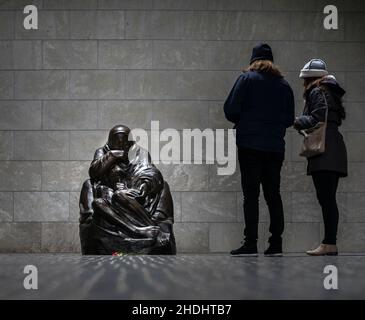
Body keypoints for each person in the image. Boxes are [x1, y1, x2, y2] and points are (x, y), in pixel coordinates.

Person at [224, 43, 295, 257]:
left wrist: (244, 121)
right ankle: (276, 244)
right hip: (274, 147)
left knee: (251, 195)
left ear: (253, 60)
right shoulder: (284, 85)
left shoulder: (246, 79)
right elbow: (289, 119)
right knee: (273, 194)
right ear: (272, 61)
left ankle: (251, 243)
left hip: (249, 145)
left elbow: (230, 109)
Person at [294, 59, 347, 256]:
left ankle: (329, 243)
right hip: (334, 147)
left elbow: (317, 119)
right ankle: (329, 243)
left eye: (304, 80)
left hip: (325, 150)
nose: (303, 84)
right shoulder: (330, 92)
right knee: (328, 199)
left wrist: (296, 121)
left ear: (311, 79)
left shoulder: (318, 92)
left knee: (326, 199)